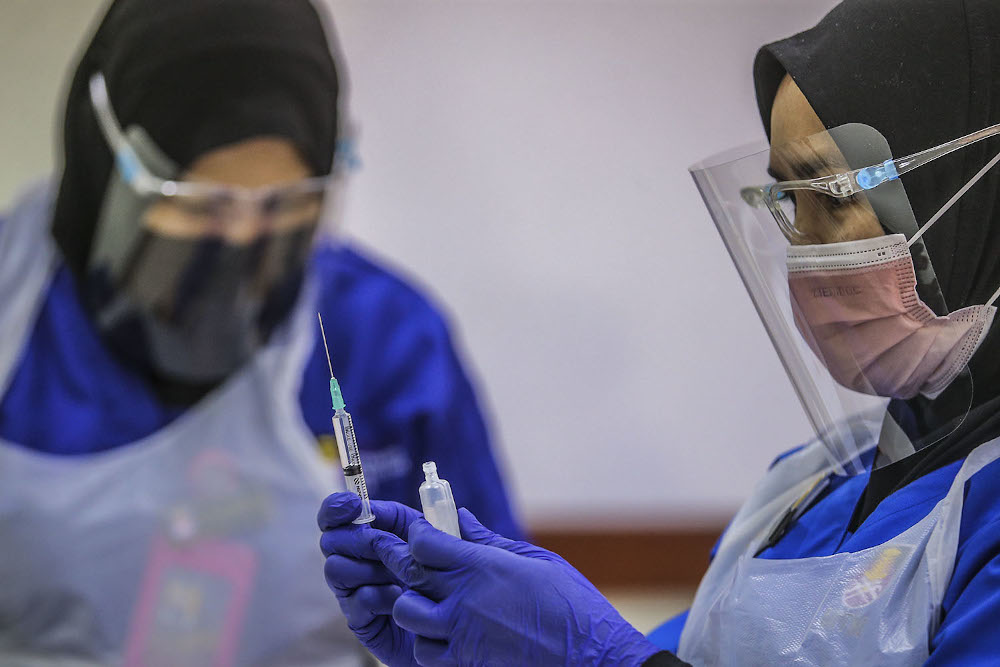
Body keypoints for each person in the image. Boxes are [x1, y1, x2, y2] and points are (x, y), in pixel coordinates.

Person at [317, 0, 1000, 664]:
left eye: (834, 196)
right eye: (788, 201)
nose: (805, 249)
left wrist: (592, 657)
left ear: (969, 192)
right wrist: (476, 646)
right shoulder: (811, 488)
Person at [0, 0, 520, 664]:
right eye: (203, 204)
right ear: (109, 165)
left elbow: (485, 613)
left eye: (286, 202)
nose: (244, 237)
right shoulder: (17, 315)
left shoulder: (383, 338)